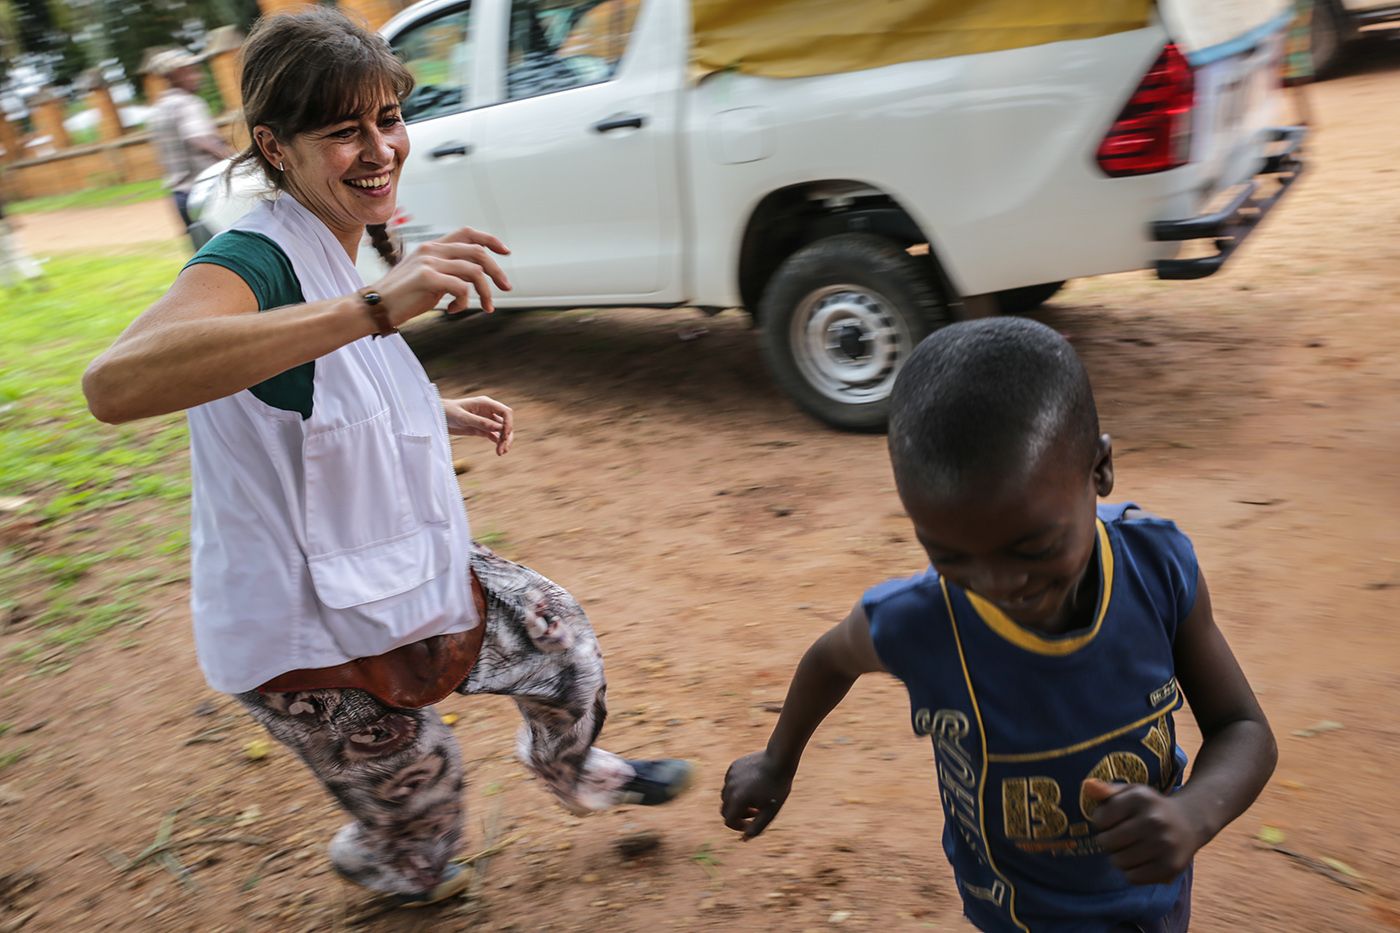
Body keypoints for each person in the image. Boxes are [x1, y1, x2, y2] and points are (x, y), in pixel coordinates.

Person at [83, 9, 691, 906]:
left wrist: (430, 407)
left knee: (560, 645)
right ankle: (389, 859)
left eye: (389, 120)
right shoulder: (250, 256)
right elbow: (113, 384)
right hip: (298, 620)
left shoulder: (336, 238)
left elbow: (314, 383)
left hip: (389, 552)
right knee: (425, 805)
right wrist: (375, 307)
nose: (379, 149)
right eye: (343, 131)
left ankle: (579, 773)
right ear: (274, 146)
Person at [721, 317, 1277, 932]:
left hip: (1157, 897)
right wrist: (777, 761)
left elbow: (1243, 727)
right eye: (951, 556)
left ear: (1100, 471)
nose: (999, 585)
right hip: (1017, 916)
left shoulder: (1156, 566)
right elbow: (831, 658)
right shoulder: (921, 621)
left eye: (1033, 548)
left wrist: (1193, 815)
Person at [147, 48, 235, 240]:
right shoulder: (188, 103)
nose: (198, 76)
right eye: (191, 71)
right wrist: (238, 162)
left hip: (180, 196)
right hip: (205, 193)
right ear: (175, 76)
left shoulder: (159, 109)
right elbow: (199, 139)